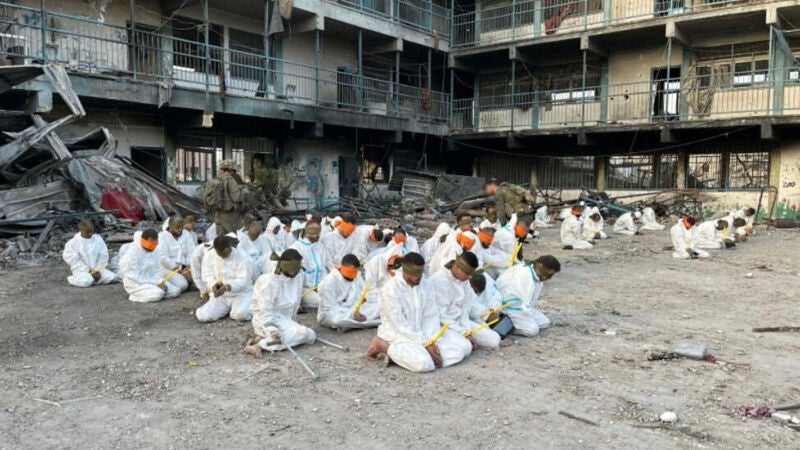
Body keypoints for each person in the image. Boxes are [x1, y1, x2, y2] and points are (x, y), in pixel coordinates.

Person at [365, 252, 472, 372]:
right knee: (424, 365)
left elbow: (430, 316)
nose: (419, 277)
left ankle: (408, 356)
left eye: (420, 272)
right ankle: (383, 345)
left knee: (460, 351)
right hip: (399, 336)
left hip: (422, 334)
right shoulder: (390, 289)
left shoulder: (425, 285)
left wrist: (430, 342)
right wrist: (424, 343)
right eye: (415, 273)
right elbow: (400, 326)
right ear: (405, 270)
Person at [245, 249, 316, 357]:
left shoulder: (298, 277)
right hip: (266, 320)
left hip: (285, 320)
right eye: (291, 270)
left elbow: (294, 305)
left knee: (311, 336)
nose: (293, 273)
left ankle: (263, 339)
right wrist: (272, 330)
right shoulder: (270, 281)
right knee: (304, 333)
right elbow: (264, 311)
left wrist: (293, 324)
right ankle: (260, 345)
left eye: (296, 270)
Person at [429, 252, 500, 350]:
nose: (470, 277)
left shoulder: (464, 281)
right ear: (457, 267)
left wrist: (486, 315)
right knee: (466, 347)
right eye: (468, 273)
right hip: (444, 325)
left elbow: (467, 307)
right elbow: (442, 316)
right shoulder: (439, 281)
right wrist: (463, 332)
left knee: (494, 340)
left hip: (462, 323)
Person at [496, 255, 561, 336]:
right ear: (540, 266)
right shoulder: (522, 274)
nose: (549, 278)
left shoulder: (536, 275)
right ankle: (504, 326)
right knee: (531, 330)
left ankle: (516, 323)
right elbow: (515, 299)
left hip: (523, 307)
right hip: (509, 308)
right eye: (548, 275)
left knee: (545, 322)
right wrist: (526, 314)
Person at [195, 236, 253, 322]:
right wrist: (212, 285)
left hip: (241, 294)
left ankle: (239, 307)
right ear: (215, 249)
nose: (223, 256)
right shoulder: (209, 256)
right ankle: (227, 309)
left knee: (240, 315)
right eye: (220, 253)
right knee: (204, 316)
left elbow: (243, 281)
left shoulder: (243, 257)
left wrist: (227, 287)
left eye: (225, 253)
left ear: (230, 246)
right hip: (220, 296)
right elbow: (207, 276)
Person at [317, 254, 380, 330]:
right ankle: (376, 322)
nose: (352, 276)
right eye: (349, 272)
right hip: (333, 313)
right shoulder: (329, 281)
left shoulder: (357, 276)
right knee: (337, 321)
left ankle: (357, 323)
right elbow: (330, 308)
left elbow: (366, 294)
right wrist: (351, 315)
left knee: (379, 305)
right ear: (341, 267)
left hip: (355, 309)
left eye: (354, 272)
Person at [119, 229, 182, 302]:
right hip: (136, 283)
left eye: (155, 244)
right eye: (150, 244)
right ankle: (134, 296)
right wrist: (155, 283)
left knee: (175, 291)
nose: (153, 247)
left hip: (152, 280)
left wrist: (159, 282)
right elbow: (134, 276)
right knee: (158, 294)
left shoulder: (156, 250)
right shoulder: (132, 254)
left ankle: (153, 292)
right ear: (143, 240)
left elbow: (157, 270)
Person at [62, 219, 118, 287]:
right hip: (82, 271)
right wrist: (88, 270)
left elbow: (104, 256)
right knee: (85, 281)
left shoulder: (98, 239)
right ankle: (73, 279)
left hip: (98, 270)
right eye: (88, 232)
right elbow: (74, 261)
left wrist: (97, 270)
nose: (90, 234)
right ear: (81, 230)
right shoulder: (72, 243)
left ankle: (94, 279)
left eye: (92, 232)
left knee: (113, 277)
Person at [288, 221, 326, 309]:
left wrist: (323, 285)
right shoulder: (296, 248)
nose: (316, 236)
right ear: (306, 232)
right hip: (304, 289)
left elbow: (323, 269)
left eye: (317, 234)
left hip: (319, 287)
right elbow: (294, 277)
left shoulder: (320, 247)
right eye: (313, 234)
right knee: (323, 303)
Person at [204, 160, 242, 235]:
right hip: (229, 216)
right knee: (232, 238)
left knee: (221, 239)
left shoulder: (215, 180)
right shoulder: (231, 180)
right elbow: (236, 198)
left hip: (217, 214)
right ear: (231, 170)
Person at [158, 217, 193, 287]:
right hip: (169, 268)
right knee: (182, 285)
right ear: (170, 227)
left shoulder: (186, 234)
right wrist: (180, 271)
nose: (179, 230)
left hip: (185, 267)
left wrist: (189, 266)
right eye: (177, 228)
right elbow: (163, 258)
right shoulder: (162, 237)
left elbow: (191, 251)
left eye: (181, 228)